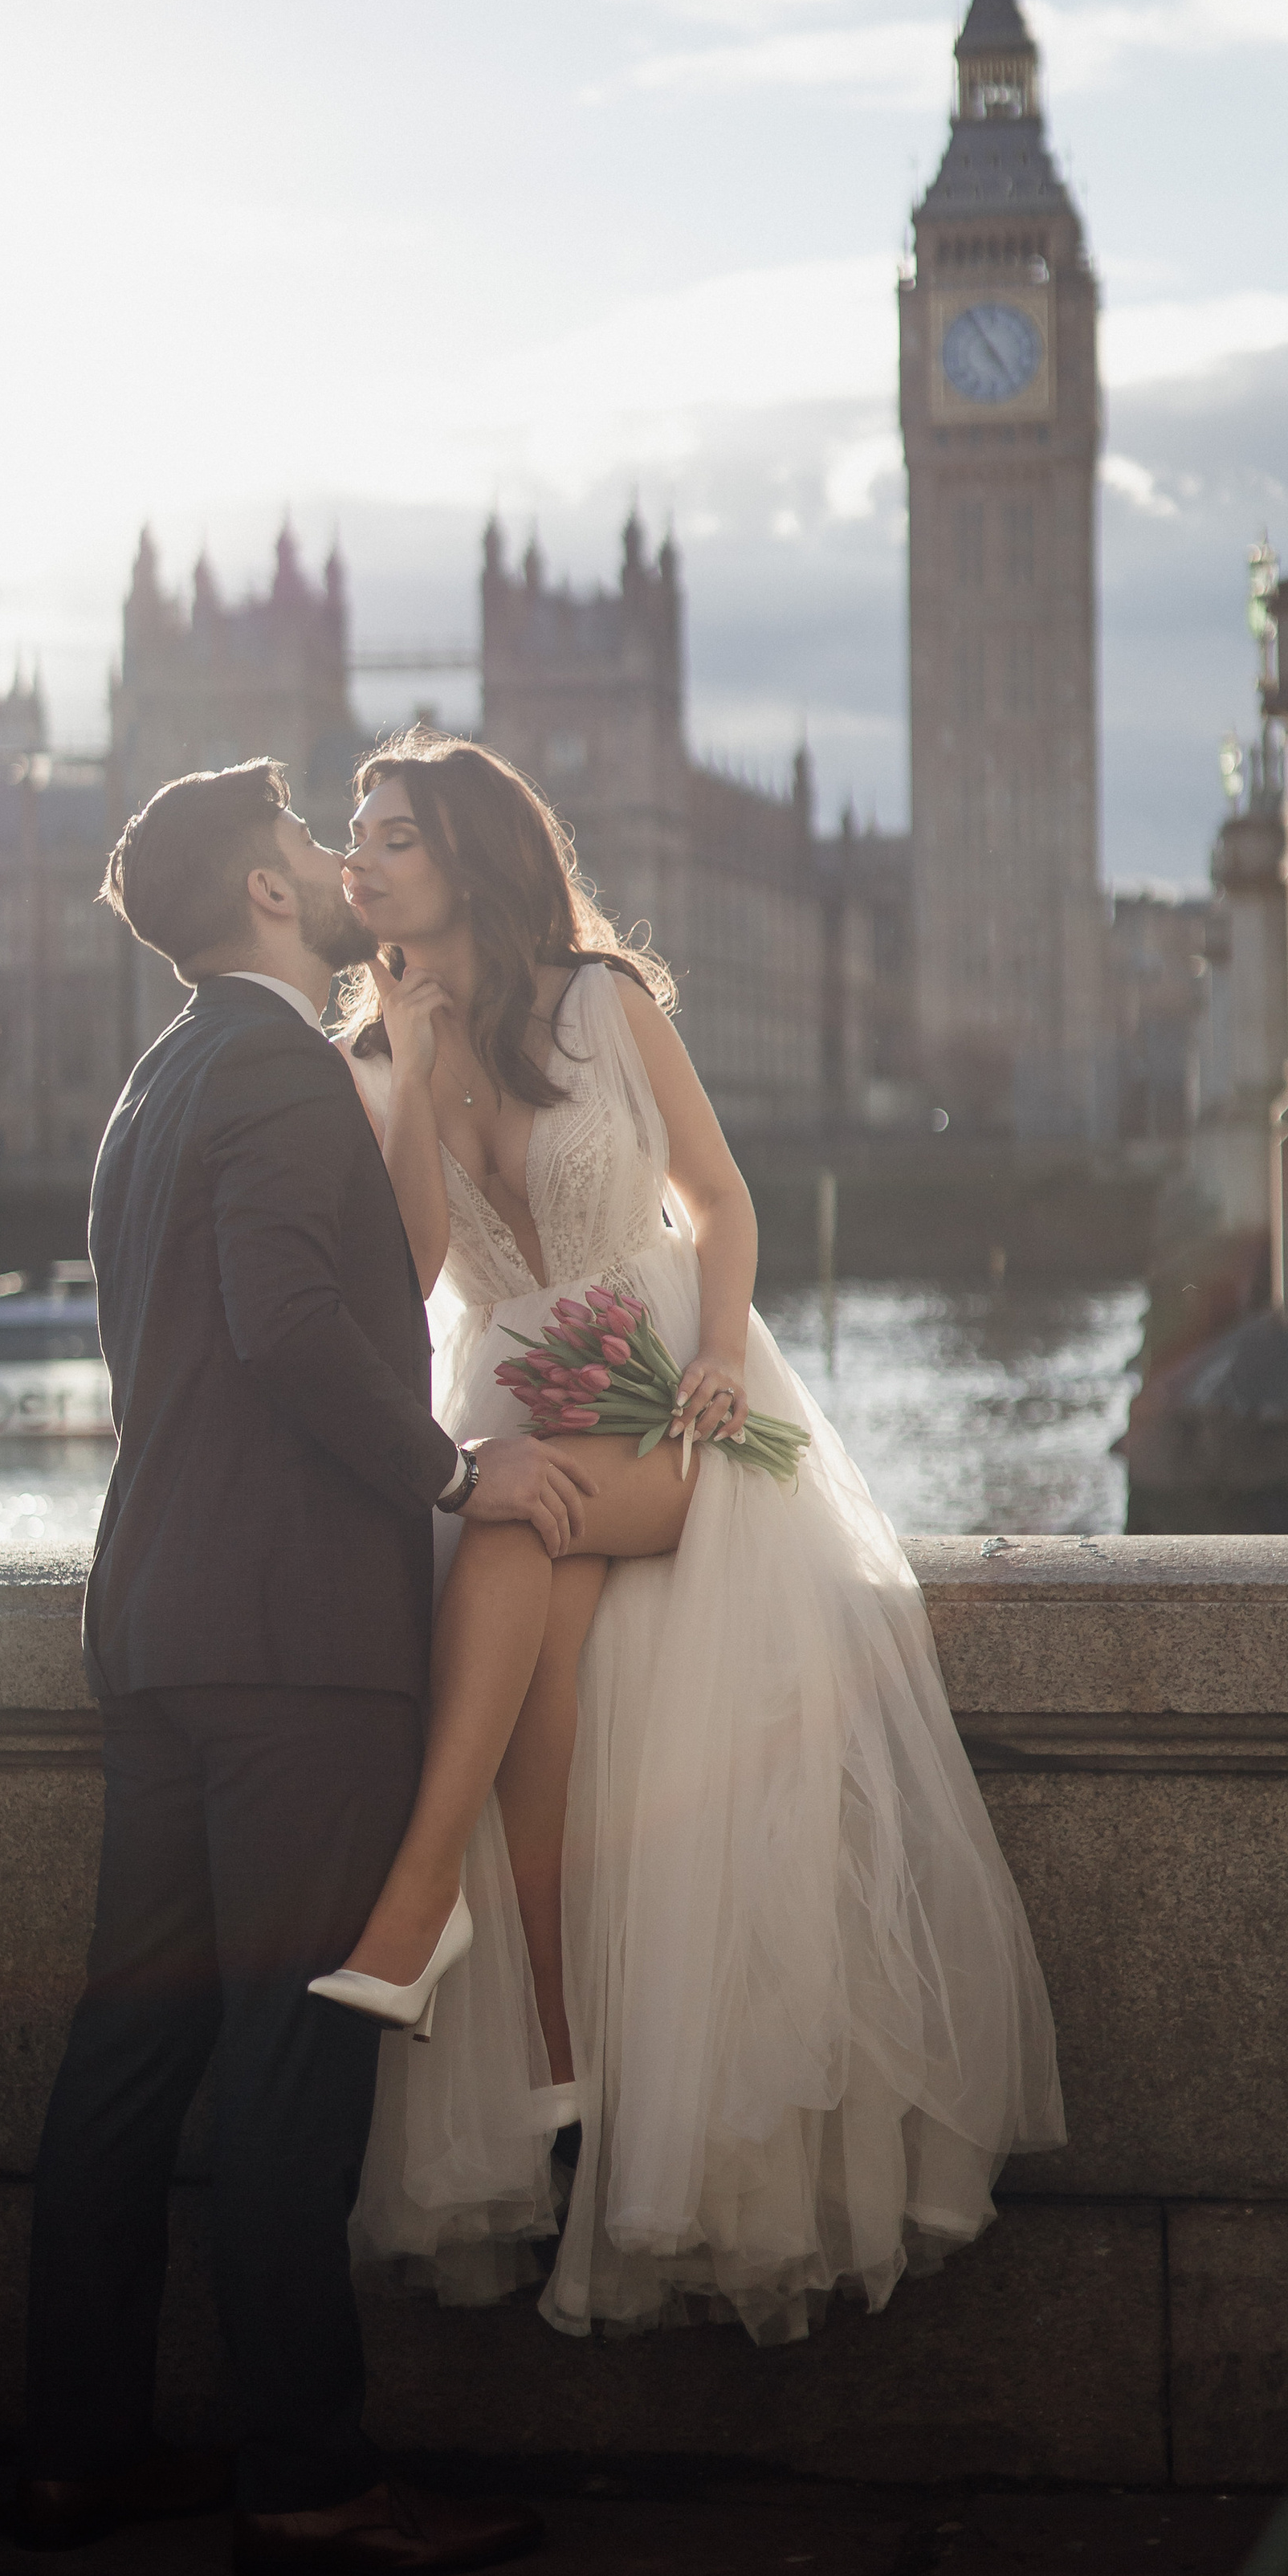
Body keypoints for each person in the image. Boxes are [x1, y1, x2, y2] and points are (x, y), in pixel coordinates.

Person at [322, 731, 1065, 2344]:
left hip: (668, 1391)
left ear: (470, 852)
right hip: (512, 1384)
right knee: (534, 1556)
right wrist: (411, 1058)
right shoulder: (379, 1040)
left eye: (388, 834)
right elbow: (413, 1263)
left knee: (536, 1532)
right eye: (349, 837)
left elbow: (718, 1199)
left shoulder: (606, 1002)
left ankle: (428, 1899)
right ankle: (547, 2015)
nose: (356, 860)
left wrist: (718, 1355)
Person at [19, 756, 592, 2576]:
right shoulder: (271, 1064)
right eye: (299, 843)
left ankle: (84, 2452)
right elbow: (284, 1330)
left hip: (163, 1625)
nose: (327, 860)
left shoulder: (157, 1080)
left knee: (131, 2053)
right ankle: (309, 2475)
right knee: (289, 2056)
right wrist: (456, 1467)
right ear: (267, 895)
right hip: (290, 1652)